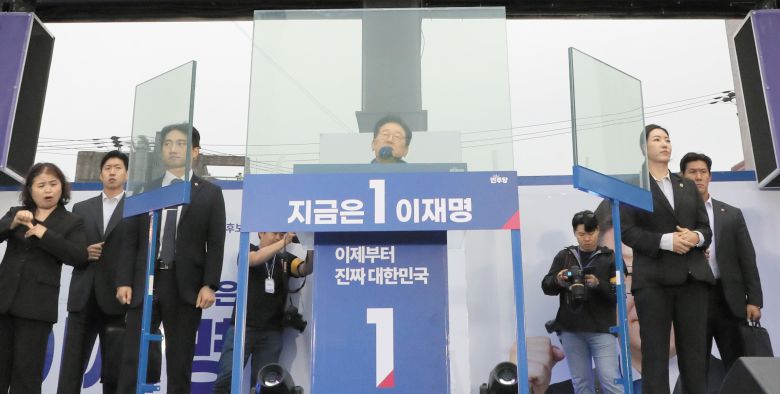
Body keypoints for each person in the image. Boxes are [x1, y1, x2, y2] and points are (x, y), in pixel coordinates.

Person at [116, 124, 226, 394]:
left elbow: (215, 243)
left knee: (179, 363)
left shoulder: (209, 193)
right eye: (167, 143)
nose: (173, 148)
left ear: (195, 152)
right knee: (133, 359)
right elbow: (130, 241)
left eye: (180, 143)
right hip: (145, 283)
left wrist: (209, 284)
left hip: (185, 288)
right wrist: (123, 281)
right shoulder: (145, 190)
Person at [619, 124, 713, 394]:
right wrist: (666, 241)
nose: (665, 144)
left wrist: (695, 237)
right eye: (657, 139)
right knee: (656, 357)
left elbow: (705, 227)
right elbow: (628, 231)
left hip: (692, 278)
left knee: (695, 358)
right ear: (643, 148)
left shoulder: (686, 185)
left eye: (667, 139)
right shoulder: (632, 185)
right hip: (654, 282)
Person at [0, 163, 89, 394]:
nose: (48, 190)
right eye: (41, 185)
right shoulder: (15, 213)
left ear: (62, 188)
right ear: (30, 190)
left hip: (36, 308)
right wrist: (13, 223)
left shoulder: (72, 221)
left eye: (53, 184)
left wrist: (44, 233)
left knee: (26, 376)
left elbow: (79, 256)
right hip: (3, 302)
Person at [679, 152, 763, 375]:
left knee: (738, 367)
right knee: (697, 369)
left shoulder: (731, 214)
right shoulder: (675, 217)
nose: (698, 177)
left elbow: (747, 259)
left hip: (729, 300)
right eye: (692, 172)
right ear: (682, 176)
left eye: (703, 172)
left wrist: (754, 300)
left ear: (710, 176)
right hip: (693, 297)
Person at [58, 150, 132, 394]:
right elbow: (70, 249)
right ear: (100, 174)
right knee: (71, 367)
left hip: (118, 298)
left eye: (117, 167)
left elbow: (138, 252)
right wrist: (83, 252)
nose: (112, 172)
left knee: (114, 369)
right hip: (83, 296)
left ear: (127, 173)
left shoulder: (136, 209)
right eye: (108, 168)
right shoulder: (81, 208)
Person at [212, 232, 314, 393]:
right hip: (243, 328)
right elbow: (254, 260)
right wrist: (284, 242)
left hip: (272, 331)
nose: (279, 238)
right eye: (275, 234)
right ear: (261, 233)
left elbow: (305, 268)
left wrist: (310, 245)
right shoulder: (248, 249)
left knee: (264, 384)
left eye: (282, 235)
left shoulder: (286, 258)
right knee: (226, 378)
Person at [541, 210, 621, 394]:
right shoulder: (565, 256)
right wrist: (559, 280)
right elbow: (546, 287)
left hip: (602, 330)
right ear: (574, 233)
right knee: (582, 384)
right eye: (581, 234)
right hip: (571, 330)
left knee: (611, 382)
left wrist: (597, 284)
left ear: (598, 230)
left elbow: (617, 295)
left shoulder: (610, 258)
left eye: (590, 233)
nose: (586, 239)